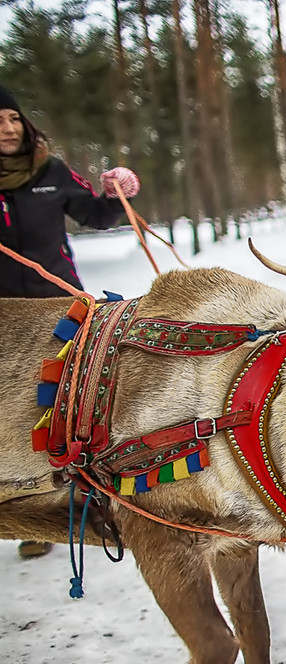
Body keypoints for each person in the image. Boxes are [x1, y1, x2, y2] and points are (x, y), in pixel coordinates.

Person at [1, 84, 141, 559]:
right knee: (13, 412)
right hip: (4, 319)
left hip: (58, 308)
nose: (8, 128)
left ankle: (90, 494)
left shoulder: (52, 172)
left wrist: (117, 192)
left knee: (72, 401)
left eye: (14, 118)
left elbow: (97, 215)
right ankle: (27, 507)